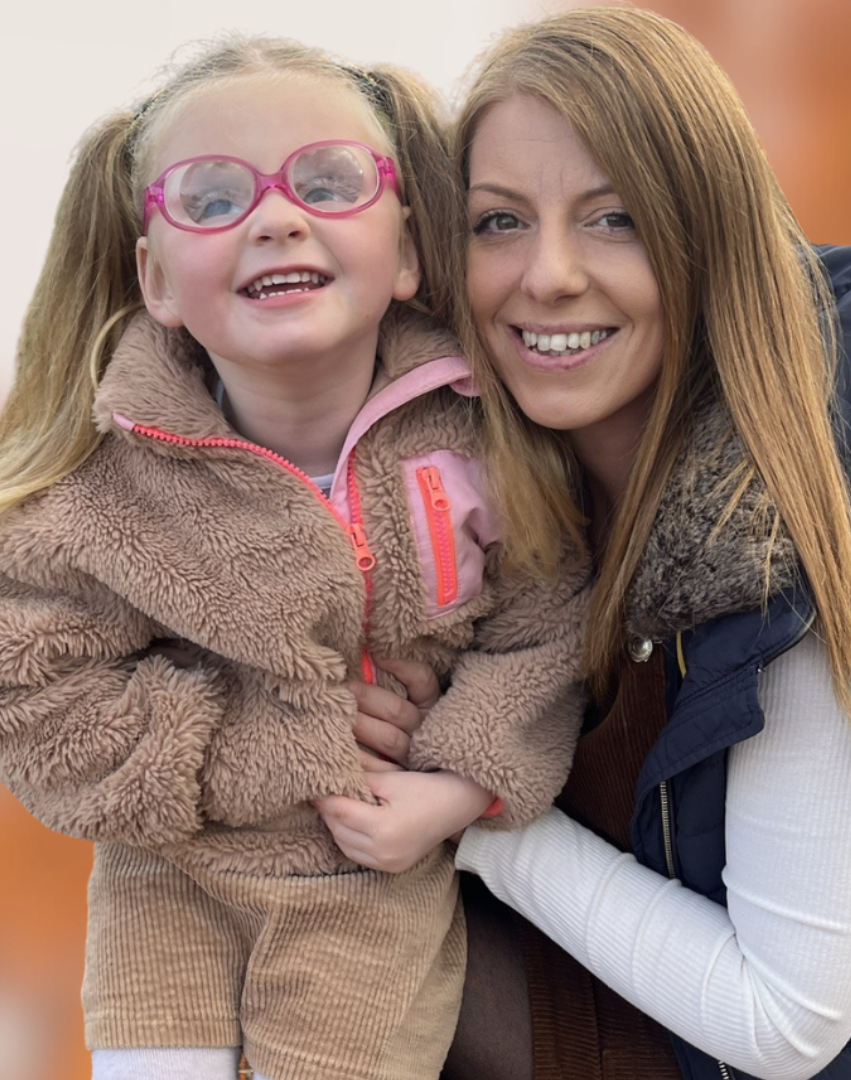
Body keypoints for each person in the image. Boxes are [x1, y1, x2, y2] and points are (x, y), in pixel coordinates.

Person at [0, 35, 591, 1080]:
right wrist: (284, 734)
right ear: (156, 279)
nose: (275, 217)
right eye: (213, 198)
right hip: (169, 884)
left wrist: (458, 788)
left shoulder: (481, 448)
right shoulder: (106, 480)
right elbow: (36, 693)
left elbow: (546, 631)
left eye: (326, 183)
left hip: (371, 891)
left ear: (405, 251)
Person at [316, 8, 851, 1080]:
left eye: (614, 220)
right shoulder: (451, 481)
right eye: (499, 222)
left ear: (707, 240)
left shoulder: (771, 528)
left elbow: (791, 1023)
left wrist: (472, 807)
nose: (548, 274)